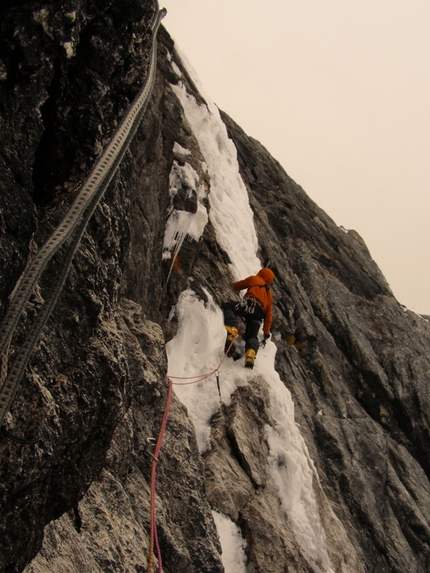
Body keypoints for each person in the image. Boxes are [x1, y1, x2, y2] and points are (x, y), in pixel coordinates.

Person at [222, 268, 275, 369]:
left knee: (228, 307)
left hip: (248, 305)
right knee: (252, 336)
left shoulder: (255, 279)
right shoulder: (269, 294)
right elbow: (269, 315)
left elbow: (237, 286)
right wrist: (266, 332)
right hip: (258, 315)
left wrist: (234, 285)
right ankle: (251, 353)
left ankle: (232, 329)